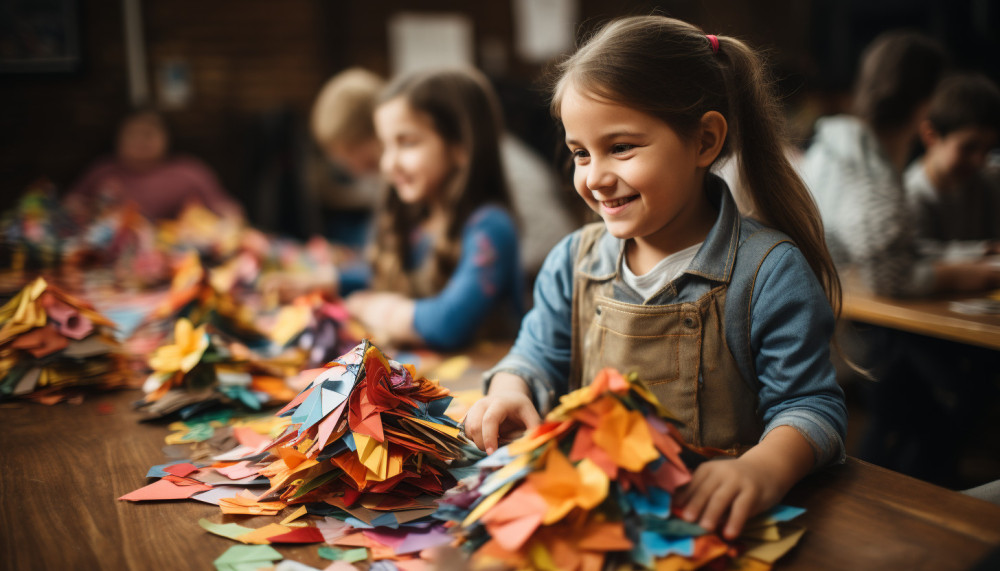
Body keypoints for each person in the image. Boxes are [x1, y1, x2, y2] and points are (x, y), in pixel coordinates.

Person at [462, 15, 848, 540]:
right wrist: (510, 388)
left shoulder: (768, 273)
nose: (595, 176)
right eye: (581, 153)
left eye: (621, 147)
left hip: (709, 530)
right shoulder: (572, 261)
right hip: (597, 529)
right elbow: (534, 356)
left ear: (705, 141)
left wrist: (762, 469)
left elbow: (810, 406)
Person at [307, 69, 575, 280]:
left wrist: (476, 270)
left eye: (406, 142)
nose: (387, 166)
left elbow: (551, 240)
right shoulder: (420, 184)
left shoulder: (499, 180)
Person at [800, 31, 1000, 297]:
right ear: (925, 99)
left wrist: (976, 252)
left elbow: (894, 251)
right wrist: (981, 275)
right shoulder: (866, 169)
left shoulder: (836, 146)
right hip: (839, 320)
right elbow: (889, 278)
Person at [343, 68, 524, 351]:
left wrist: (372, 307)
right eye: (385, 146)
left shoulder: (491, 226)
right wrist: (330, 280)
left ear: (461, 146)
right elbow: (376, 271)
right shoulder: (418, 222)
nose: (388, 164)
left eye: (408, 143)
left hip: (480, 389)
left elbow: (448, 324)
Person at [64, 109, 243, 224]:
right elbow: (69, 207)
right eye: (133, 135)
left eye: (149, 134)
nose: (141, 142)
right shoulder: (102, 171)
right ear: (117, 139)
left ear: (167, 137)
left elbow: (230, 212)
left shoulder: (190, 171)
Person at [905, 73, 1000, 260]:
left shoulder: (988, 180)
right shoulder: (911, 196)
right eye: (969, 147)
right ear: (930, 136)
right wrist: (984, 250)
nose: (980, 160)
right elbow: (915, 257)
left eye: (988, 149)